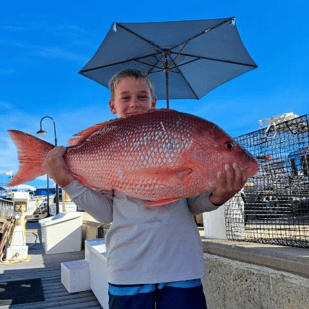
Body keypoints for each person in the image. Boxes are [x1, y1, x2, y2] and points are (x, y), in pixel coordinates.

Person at [44, 69, 248, 309]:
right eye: (125, 97)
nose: (134, 104)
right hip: (128, 269)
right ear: (112, 105)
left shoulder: (177, 137)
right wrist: (66, 181)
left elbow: (191, 204)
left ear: (154, 102)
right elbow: (106, 215)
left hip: (182, 266)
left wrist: (217, 197)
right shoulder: (107, 142)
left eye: (142, 97)